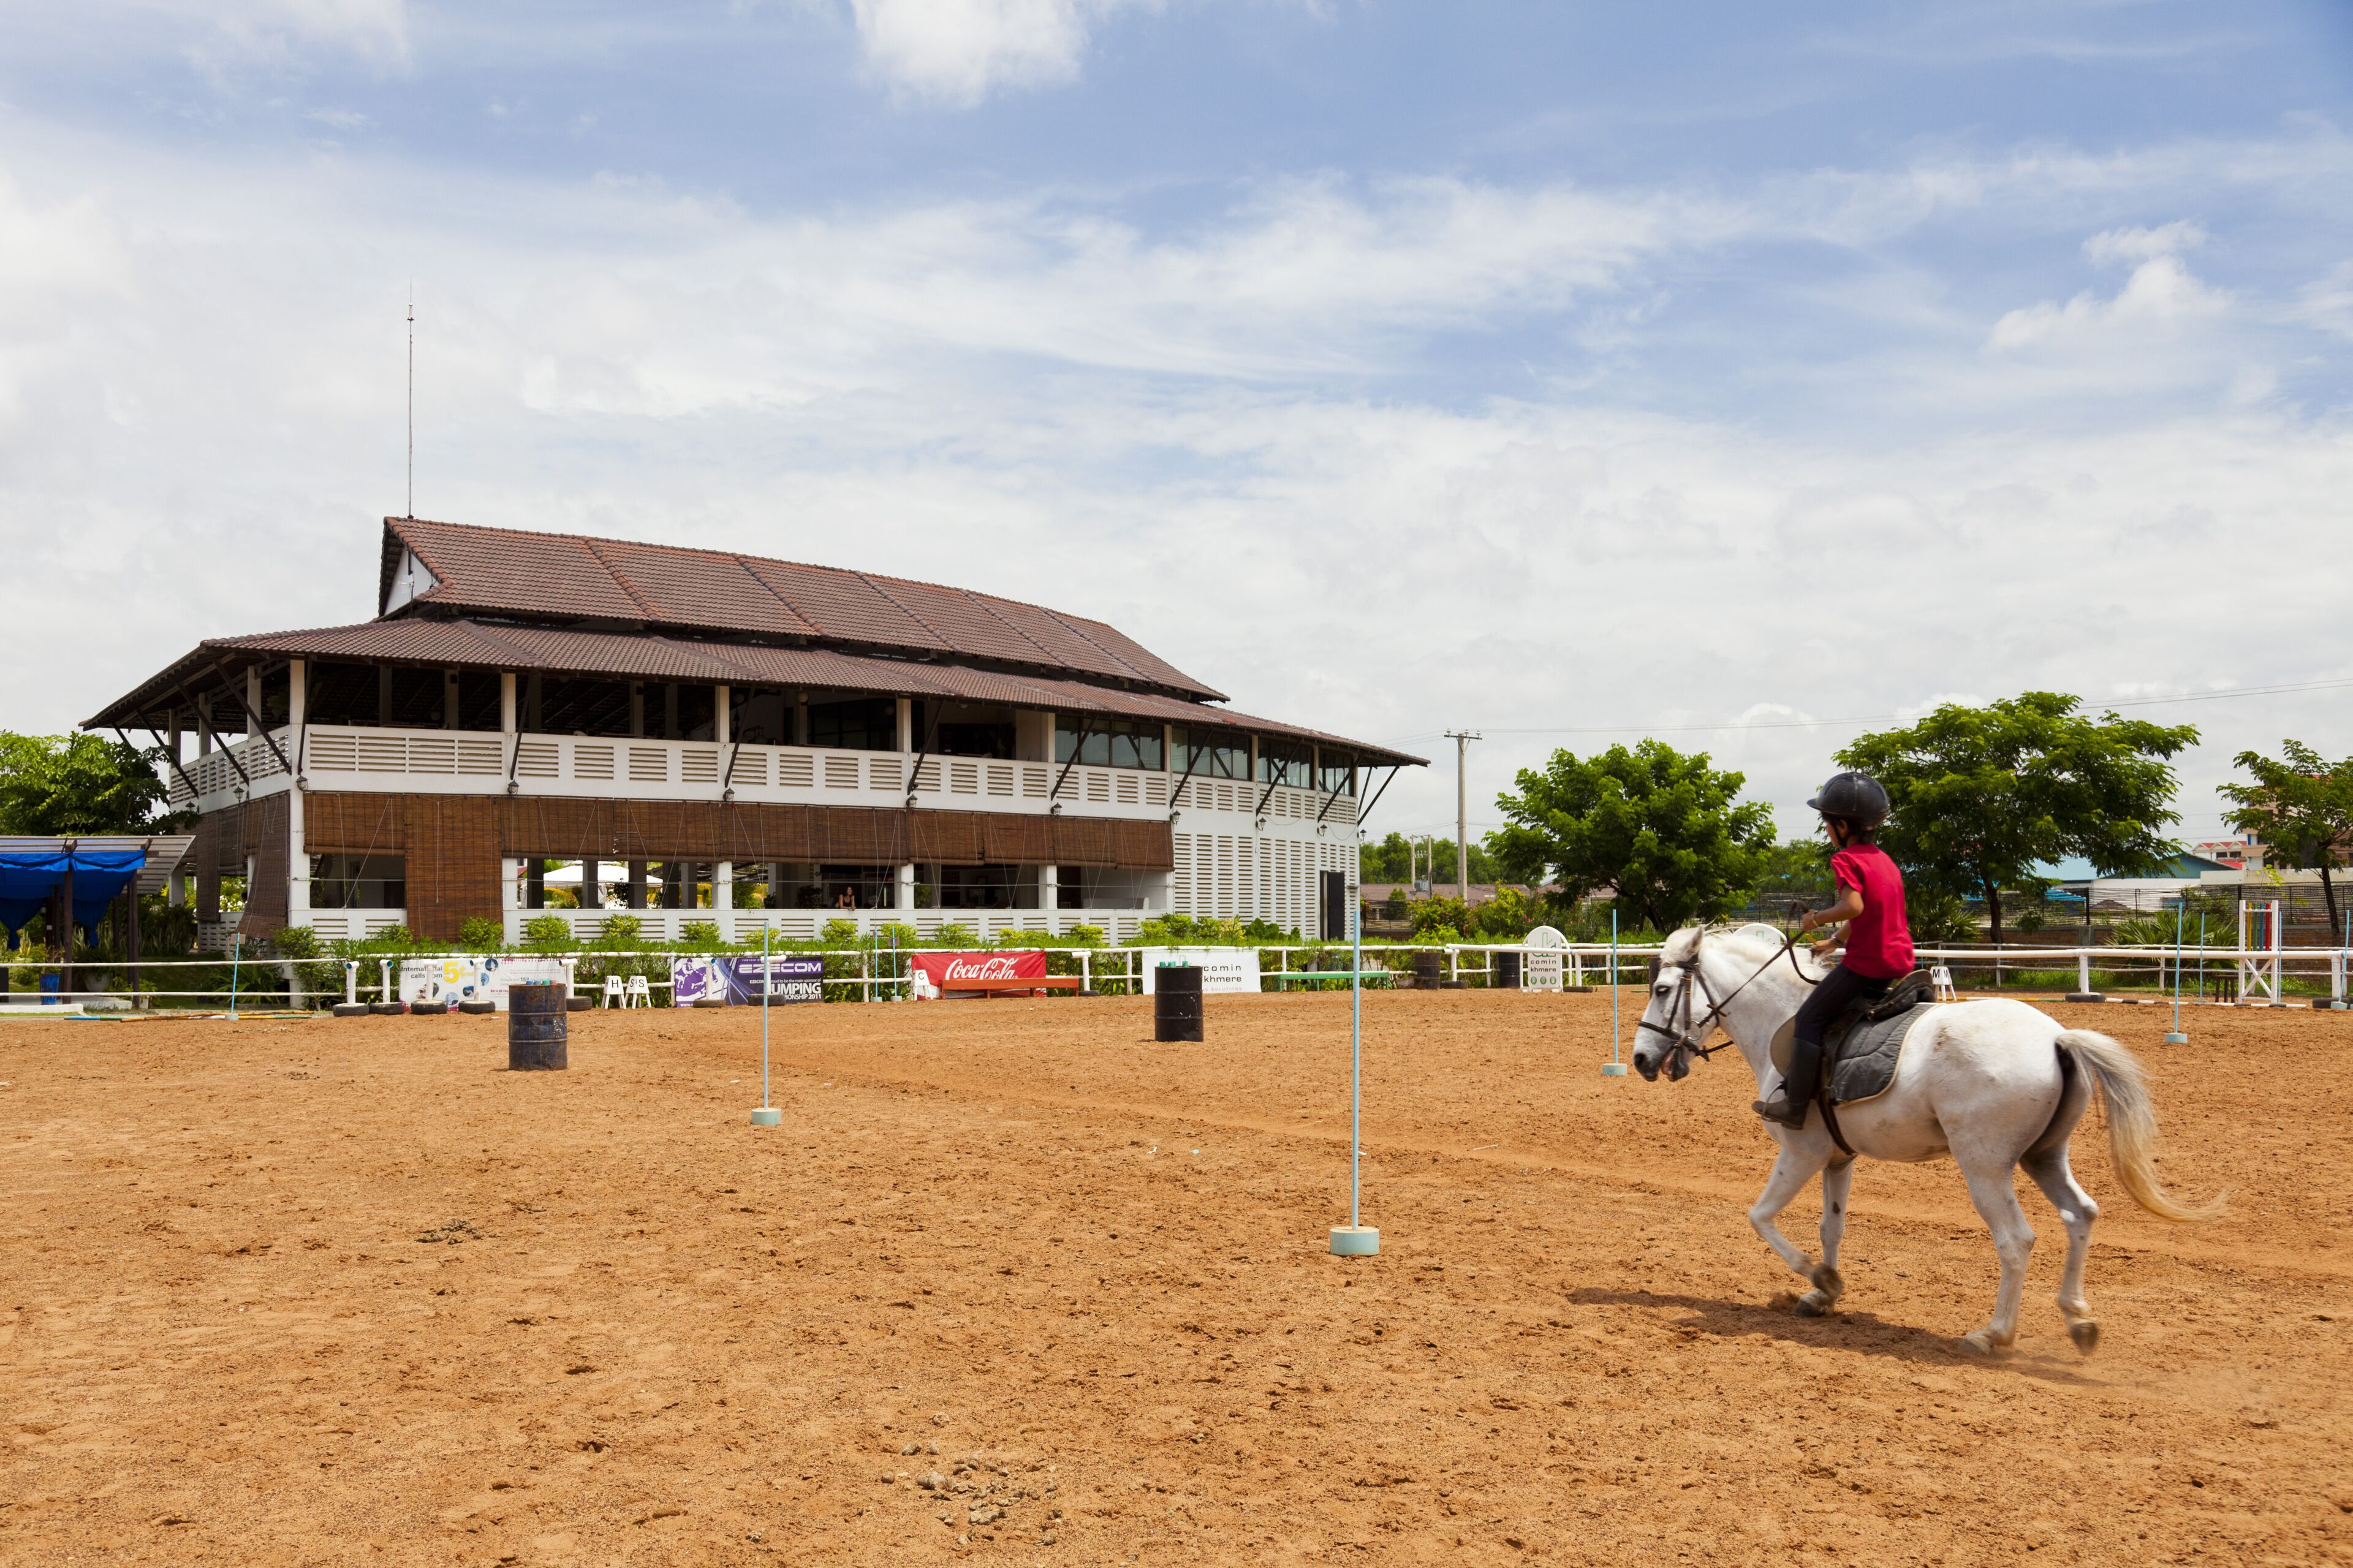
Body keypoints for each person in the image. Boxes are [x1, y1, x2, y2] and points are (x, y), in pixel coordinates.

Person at [1754, 770, 1915, 1129]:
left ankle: (1795, 1108)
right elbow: (1869, 913)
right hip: (1899, 961)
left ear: (1842, 825)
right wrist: (1836, 941)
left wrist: (1817, 919)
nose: (1826, 829)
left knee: (1810, 1019)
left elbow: (1855, 906)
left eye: (1827, 822)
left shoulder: (1846, 860)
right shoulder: (1886, 862)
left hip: (1868, 964)